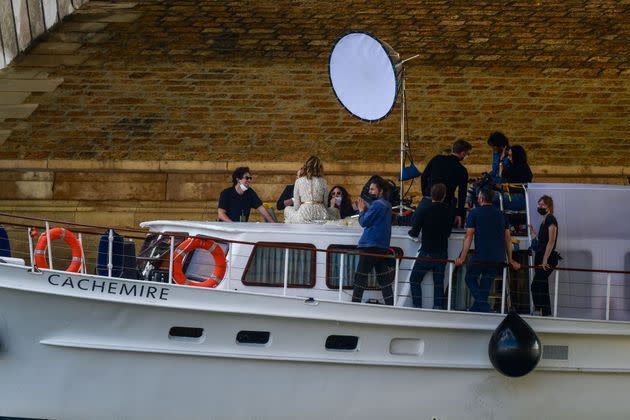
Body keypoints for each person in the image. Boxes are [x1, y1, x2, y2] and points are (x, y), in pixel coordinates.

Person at [455, 188, 520, 312]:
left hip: (481, 256)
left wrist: (462, 257)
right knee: (485, 285)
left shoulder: (474, 213)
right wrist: (510, 259)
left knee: (469, 278)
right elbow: (508, 238)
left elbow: (469, 236)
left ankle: (484, 307)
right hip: (498, 257)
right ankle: (479, 310)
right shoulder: (502, 214)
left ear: (480, 199)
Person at [408, 183, 453, 309]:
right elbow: (449, 232)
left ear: (431, 195)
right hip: (442, 252)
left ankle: (418, 307)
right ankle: (437, 308)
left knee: (415, 280)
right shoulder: (449, 210)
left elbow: (414, 231)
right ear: (444, 196)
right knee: (439, 283)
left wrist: (411, 233)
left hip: (427, 252)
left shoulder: (425, 209)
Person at [352, 176, 394, 305]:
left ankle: (354, 305)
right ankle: (390, 305)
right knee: (384, 280)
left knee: (360, 278)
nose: (370, 192)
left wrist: (361, 210)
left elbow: (364, 222)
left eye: (372, 189)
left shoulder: (377, 204)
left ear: (380, 191)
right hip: (382, 247)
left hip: (369, 246)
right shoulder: (387, 205)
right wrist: (366, 209)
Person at [415, 139, 472, 228]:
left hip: (428, 199)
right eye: (468, 154)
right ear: (463, 153)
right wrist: (459, 213)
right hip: (445, 205)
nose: (467, 156)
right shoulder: (462, 170)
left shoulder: (437, 159)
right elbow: (462, 193)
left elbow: (424, 176)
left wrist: (425, 193)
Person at [284, 156, 339, 223]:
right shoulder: (323, 181)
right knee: (335, 211)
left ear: (306, 166)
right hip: (321, 214)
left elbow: (296, 206)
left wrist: (298, 211)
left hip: (304, 214)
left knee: (287, 209)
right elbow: (325, 203)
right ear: (319, 167)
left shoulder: (299, 181)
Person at [529, 195, 559, 316]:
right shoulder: (544, 220)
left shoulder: (551, 219)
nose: (539, 206)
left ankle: (538, 310)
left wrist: (545, 259)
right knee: (542, 285)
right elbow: (543, 240)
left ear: (549, 206)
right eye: (538, 204)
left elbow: (551, 240)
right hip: (541, 257)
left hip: (546, 259)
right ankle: (546, 313)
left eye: (542, 205)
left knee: (535, 285)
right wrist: (533, 232)